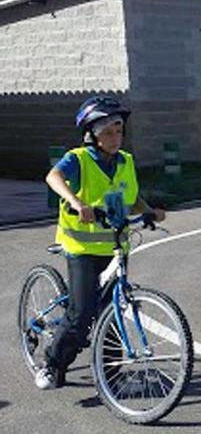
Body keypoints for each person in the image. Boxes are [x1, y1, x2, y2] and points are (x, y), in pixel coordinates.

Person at [36, 96, 166, 390]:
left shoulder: (125, 162)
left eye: (119, 130)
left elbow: (131, 199)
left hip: (115, 248)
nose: (115, 137)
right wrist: (76, 202)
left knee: (113, 311)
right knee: (81, 315)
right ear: (91, 135)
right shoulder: (79, 159)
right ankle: (51, 365)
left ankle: (113, 378)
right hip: (82, 250)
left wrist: (147, 211)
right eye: (108, 132)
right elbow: (53, 177)